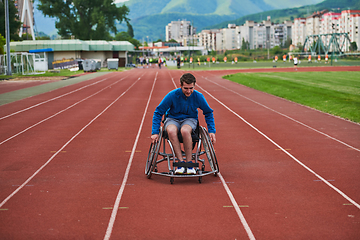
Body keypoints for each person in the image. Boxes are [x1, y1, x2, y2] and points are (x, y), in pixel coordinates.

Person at [151, 73, 216, 174]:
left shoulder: (198, 96)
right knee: (171, 131)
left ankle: (189, 164)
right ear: (180, 85)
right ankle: (180, 163)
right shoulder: (172, 95)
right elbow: (158, 112)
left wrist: (211, 131)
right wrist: (155, 132)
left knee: (185, 131)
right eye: (186, 88)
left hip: (190, 119)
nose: (189, 91)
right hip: (172, 118)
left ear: (194, 86)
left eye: (191, 88)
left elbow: (208, 112)